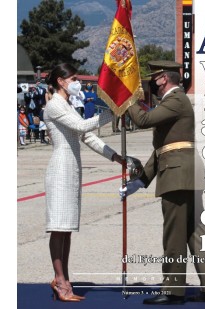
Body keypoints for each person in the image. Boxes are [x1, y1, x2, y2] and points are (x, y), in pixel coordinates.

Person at [119, 61, 205, 305]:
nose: (151, 84)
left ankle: (173, 290)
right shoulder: (176, 101)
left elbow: (143, 120)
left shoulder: (175, 100)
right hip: (183, 172)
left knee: (174, 235)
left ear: (162, 80)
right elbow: (164, 148)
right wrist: (141, 180)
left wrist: (128, 99)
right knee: (195, 232)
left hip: (177, 176)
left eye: (153, 78)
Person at [43, 63, 122, 302]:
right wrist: (112, 113)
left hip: (71, 170)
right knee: (58, 229)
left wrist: (115, 156)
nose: (77, 82)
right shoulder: (55, 104)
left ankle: (64, 279)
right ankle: (59, 281)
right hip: (60, 170)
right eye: (74, 78)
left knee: (66, 229)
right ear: (61, 81)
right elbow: (81, 126)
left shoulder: (66, 104)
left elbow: (87, 136)